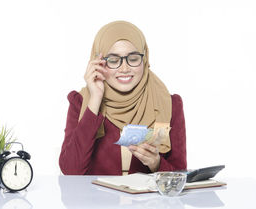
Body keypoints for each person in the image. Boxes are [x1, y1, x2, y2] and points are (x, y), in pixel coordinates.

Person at [59, 21, 186, 175]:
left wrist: (157, 164)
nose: (124, 68)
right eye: (113, 60)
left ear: (145, 59)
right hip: (96, 199)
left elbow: (180, 177)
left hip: (149, 200)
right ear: (98, 62)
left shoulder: (168, 104)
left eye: (133, 58)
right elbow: (71, 170)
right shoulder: (81, 102)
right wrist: (95, 99)